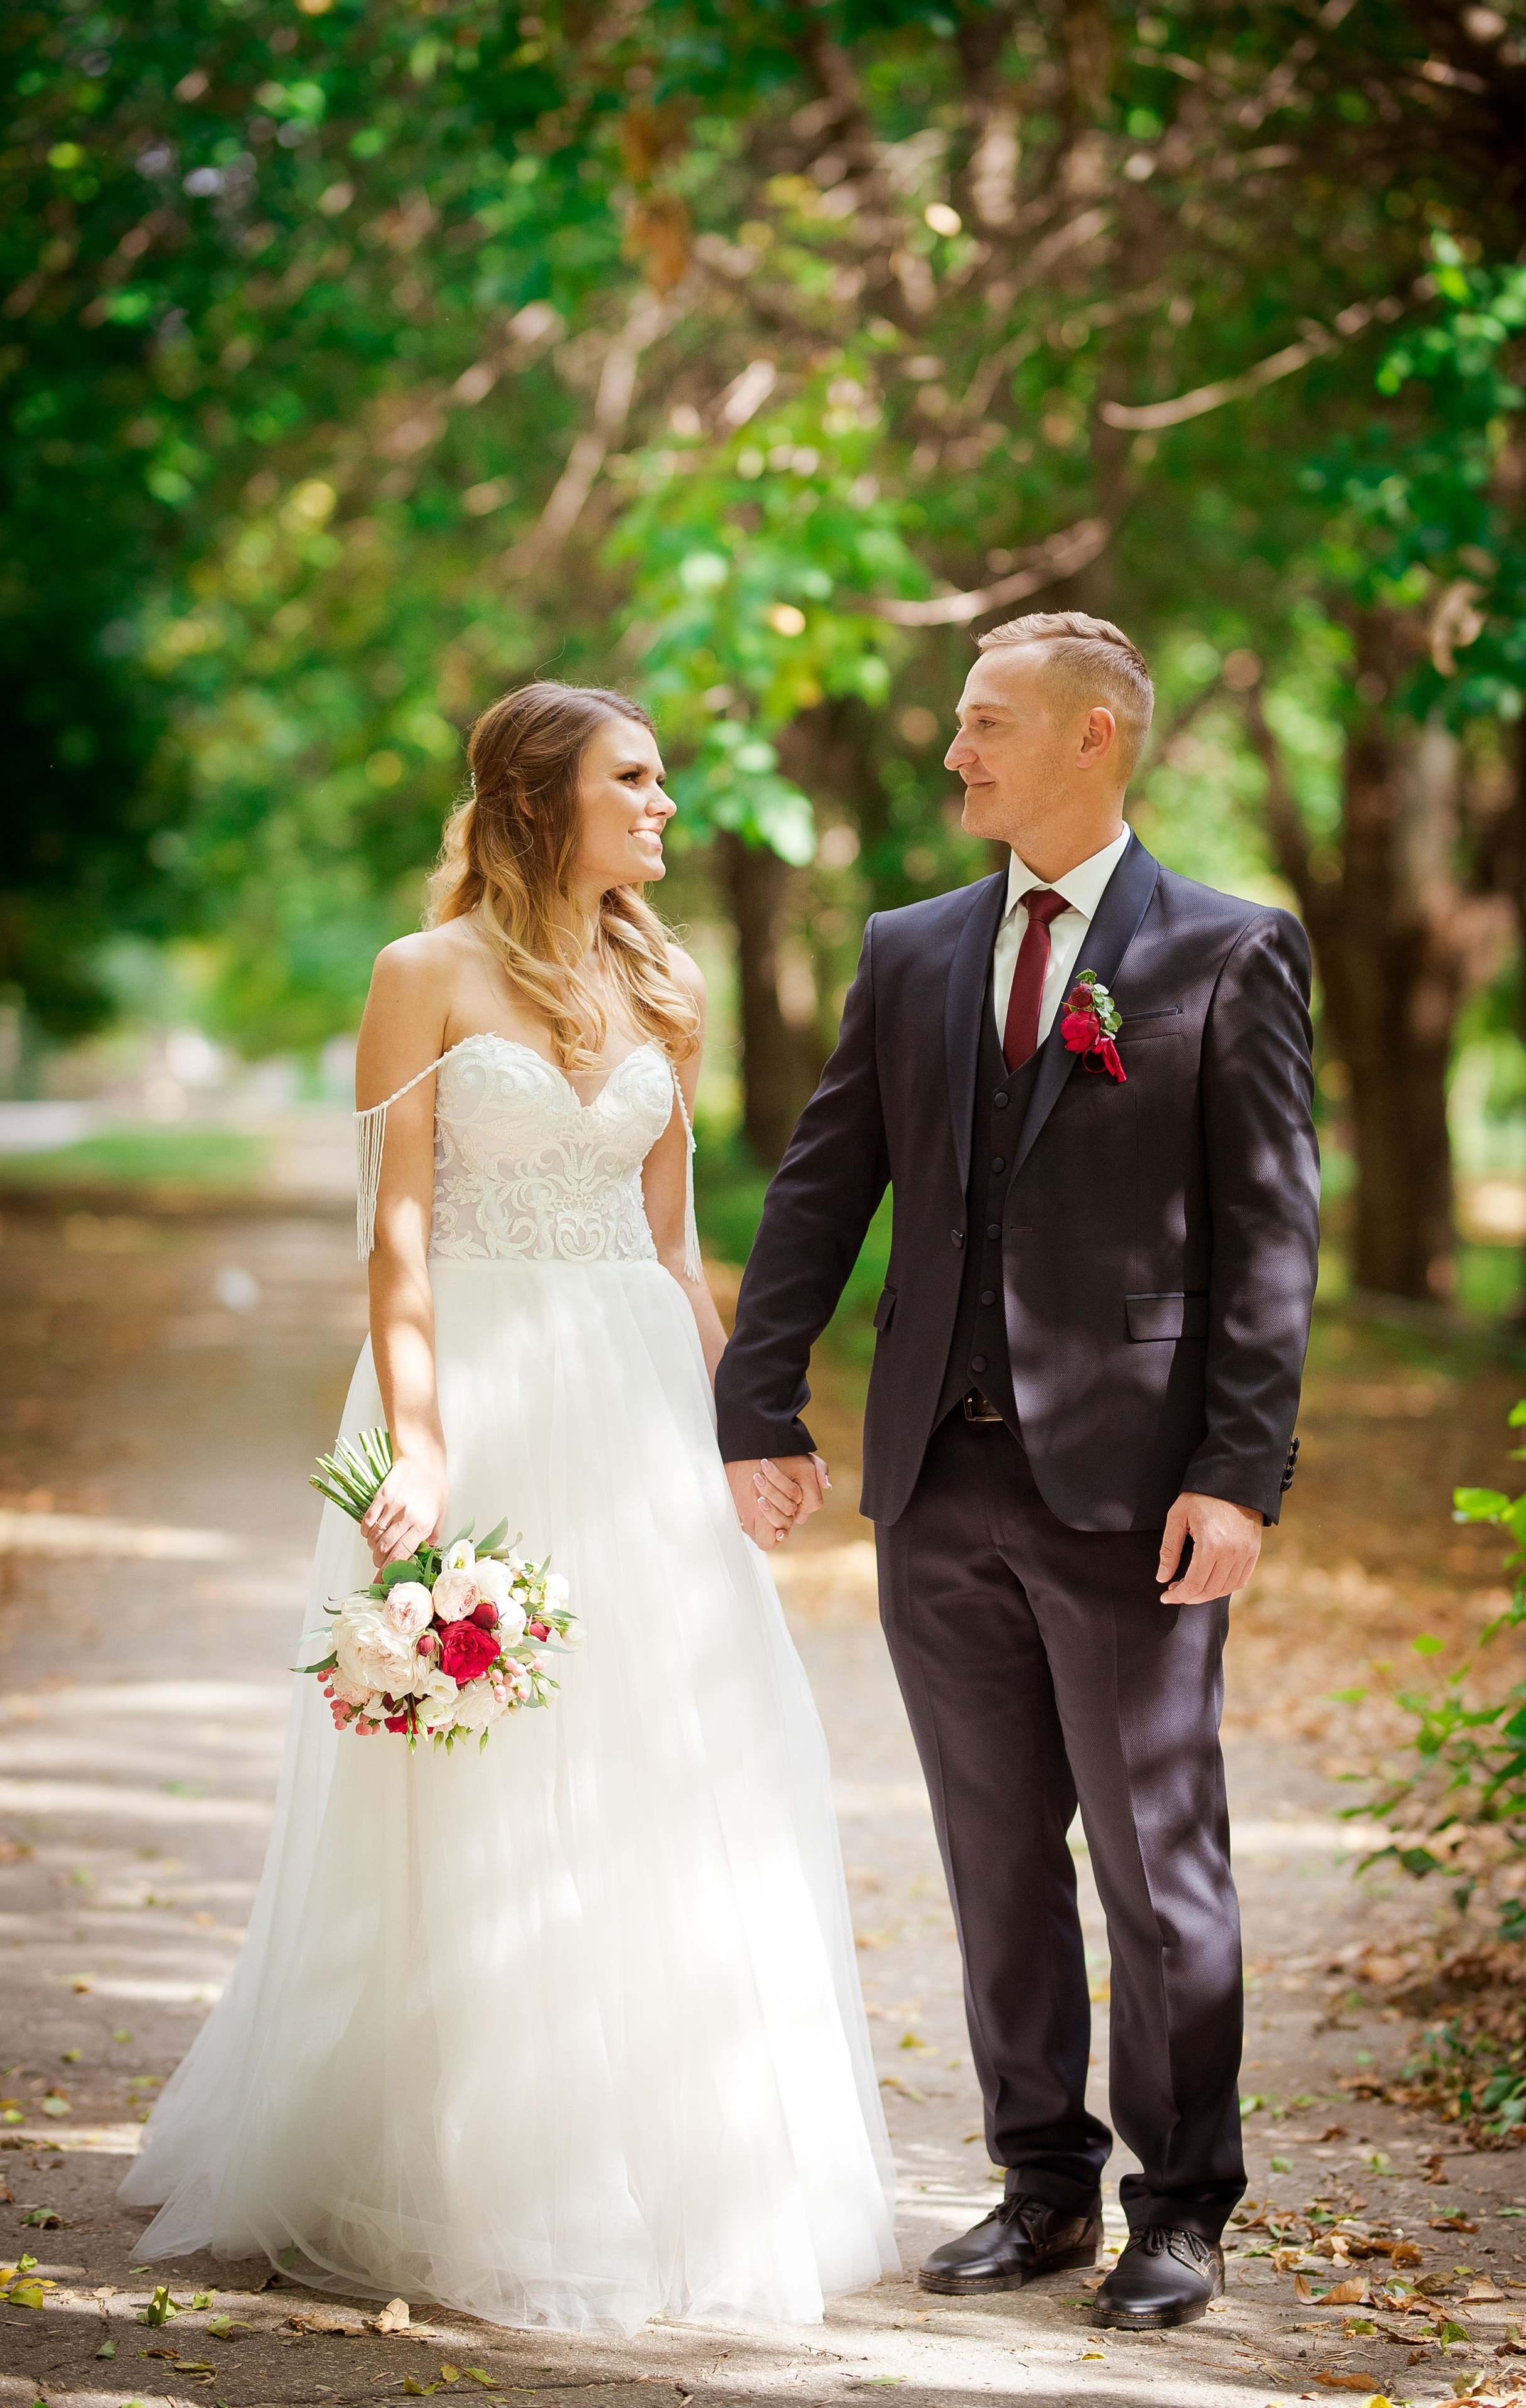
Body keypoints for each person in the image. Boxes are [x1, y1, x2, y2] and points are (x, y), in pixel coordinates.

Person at [121, 680, 898, 2335]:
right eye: (638, 777)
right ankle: (462, 2166)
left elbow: (678, 1243)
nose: (667, 805)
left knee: (667, 1754)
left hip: (632, 1400)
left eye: (666, 779)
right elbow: (395, 1229)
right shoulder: (423, 978)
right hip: (477, 1387)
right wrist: (418, 1438)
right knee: (479, 1770)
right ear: (540, 795)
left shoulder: (661, 982)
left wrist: (749, 1416)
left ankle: (661, 2151)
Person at [716, 612, 1319, 2331]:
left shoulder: (1226, 948)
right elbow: (827, 1185)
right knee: (995, 1855)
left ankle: (1181, 2206)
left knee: (1158, 1860)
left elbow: (1276, 1235)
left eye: (988, 724)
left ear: (1095, 740)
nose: (958, 752)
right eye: (961, 723)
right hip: (938, 1477)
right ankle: (1041, 2182)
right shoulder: (911, 950)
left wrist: (1239, 1470)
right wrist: (760, 1401)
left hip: (1137, 1491)